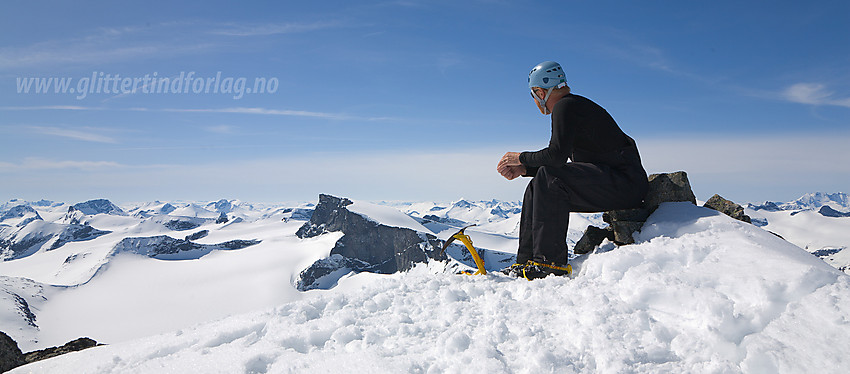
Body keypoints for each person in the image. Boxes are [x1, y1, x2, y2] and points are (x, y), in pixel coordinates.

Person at [497, 61, 649, 280]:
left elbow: (556, 156)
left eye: (533, 96)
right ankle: (526, 263)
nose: (535, 101)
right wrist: (525, 169)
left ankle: (549, 264)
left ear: (540, 92)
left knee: (549, 179)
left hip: (624, 183)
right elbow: (558, 159)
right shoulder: (573, 106)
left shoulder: (565, 106)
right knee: (537, 185)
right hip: (619, 181)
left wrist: (520, 157)